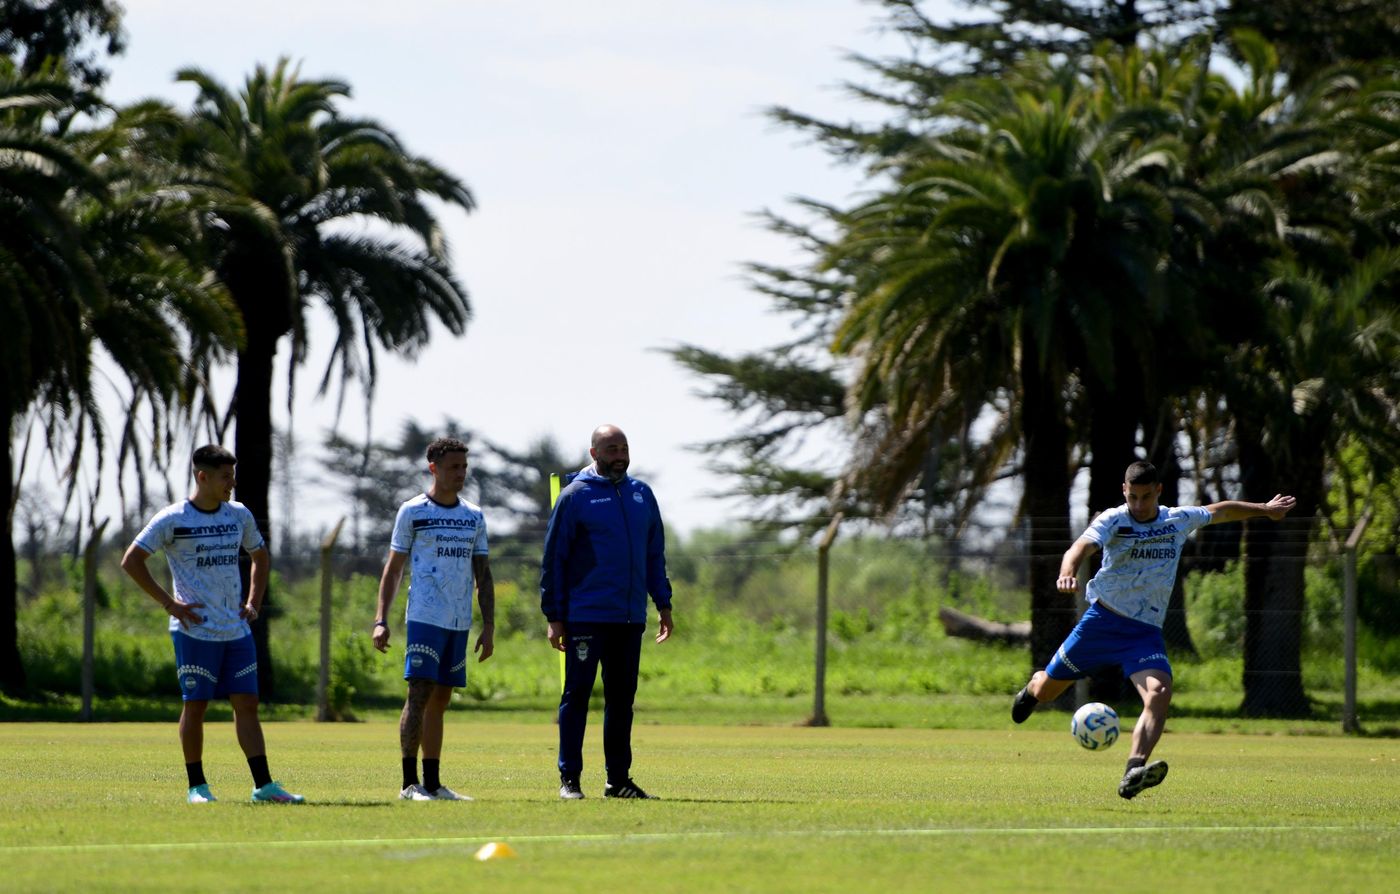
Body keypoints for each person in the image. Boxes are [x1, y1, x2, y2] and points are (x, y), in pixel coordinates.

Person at [1010, 460, 1296, 798]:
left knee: (1159, 693)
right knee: (1047, 692)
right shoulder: (1113, 519)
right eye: (1133, 497)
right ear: (1124, 492)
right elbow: (1080, 547)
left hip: (1143, 633)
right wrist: (1067, 571)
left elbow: (1220, 511)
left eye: (1146, 497)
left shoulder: (1175, 520)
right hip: (1101, 623)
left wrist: (1265, 509)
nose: (1139, 505)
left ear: (1158, 491)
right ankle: (1031, 689)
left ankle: (1133, 772)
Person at [120, 445, 304, 804]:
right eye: (225, 477)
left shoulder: (238, 515)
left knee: (247, 703)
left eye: (232, 476)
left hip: (236, 630)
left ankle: (264, 786)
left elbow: (260, 557)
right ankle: (197, 787)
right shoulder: (173, 519)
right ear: (202, 477)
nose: (231, 483)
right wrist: (169, 603)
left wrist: (254, 601)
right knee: (196, 705)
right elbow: (132, 561)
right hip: (194, 630)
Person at [541, 424, 674, 799]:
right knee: (577, 696)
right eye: (611, 448)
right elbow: (555, 560)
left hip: (629, 618)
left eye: (624, 448)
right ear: (594, 453)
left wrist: (662, 603)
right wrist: (554, 615)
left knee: (622, 702)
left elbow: (653, 555)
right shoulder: (575, 496)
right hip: (586, 616)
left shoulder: (641, 494)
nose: (620, 455)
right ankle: (570, 780)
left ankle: (618, 781)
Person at [373, 437, 495, 801]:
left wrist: (488, 626)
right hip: (425, 617)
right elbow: (393, 570)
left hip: (459, 621)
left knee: (441, 699)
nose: (460, 473)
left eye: (464, 467)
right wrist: (381, 618)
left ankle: (433, 782)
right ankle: (408, 784)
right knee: (419, 694)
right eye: (453, 467)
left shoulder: (473, 515)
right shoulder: (413, 511)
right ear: (434, 469)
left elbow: (483, 575)